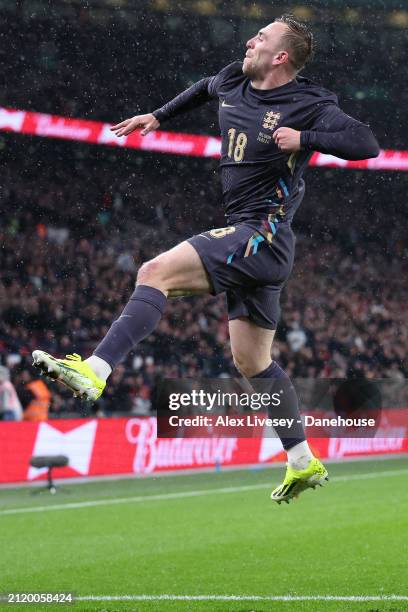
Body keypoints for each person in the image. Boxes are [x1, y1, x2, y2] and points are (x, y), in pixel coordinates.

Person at [33, 15, 379, 503]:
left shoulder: (310, 103)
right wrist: (158, 116)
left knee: (154, 272)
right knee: (253, 362)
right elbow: (204, 88)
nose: (249, 40)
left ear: (281, 57)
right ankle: (302, 459)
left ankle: (96, 370)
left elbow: (366, 144)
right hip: (255, 238)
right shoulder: (236, 77)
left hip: (262, 232)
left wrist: (306, 140)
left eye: (261, 38)